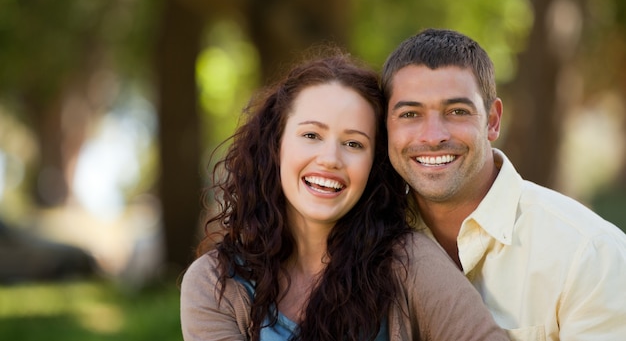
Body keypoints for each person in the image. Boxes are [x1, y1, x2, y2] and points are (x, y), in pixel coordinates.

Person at [180, 49, 509, 341]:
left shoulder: (409, 262)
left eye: (354, 144)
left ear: (374, 164)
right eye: (311, 135)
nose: (330, 159)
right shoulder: (215, 283)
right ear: (275, 145)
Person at [382, 27, 626, 340]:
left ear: (493, 120)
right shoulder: (366, 244)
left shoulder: (591, 255)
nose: (433, 136)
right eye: (410, 114)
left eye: (457, 111)